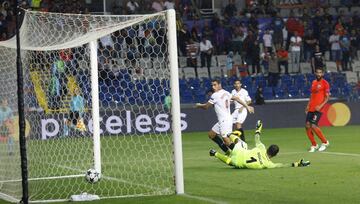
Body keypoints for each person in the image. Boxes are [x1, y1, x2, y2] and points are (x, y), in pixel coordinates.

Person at [210, 120, 310, 169]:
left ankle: (230, 134)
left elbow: (257, 138)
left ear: (268, 148)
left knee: (241, 143)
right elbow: (282, 165)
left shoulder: (262, 148)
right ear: (275, 155)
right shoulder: (268, 164)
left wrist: (258, 128)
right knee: (231, 162)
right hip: (238, 162)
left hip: (240, 151)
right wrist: (297, 164)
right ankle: (215, 153)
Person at [196, 79, 254, 154]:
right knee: (211, 134)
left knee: (226, 140)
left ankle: (242, 154)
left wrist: (199, 105)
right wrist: (247, 106)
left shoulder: (215, 95)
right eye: (212, 85)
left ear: (219, 85)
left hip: (225, 121)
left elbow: (206, 107)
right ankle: (228, 153)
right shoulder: (226, 93)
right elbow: (237, 98)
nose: (213, 87)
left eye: (215, 85)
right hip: (224, 120)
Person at [305, 67, 330, 152]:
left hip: (319, 108)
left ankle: (325, 142)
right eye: (317, 72)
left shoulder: (325, 83)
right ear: (315, 73)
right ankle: (314, 145)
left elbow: (327, 98)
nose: (319, 74)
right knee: (307, 126)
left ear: (322, 74)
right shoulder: (313, 82)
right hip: (311, 107)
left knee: (313, 125)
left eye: (320, 73)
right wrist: (308, 105)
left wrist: (320, 106)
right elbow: (312, 95)